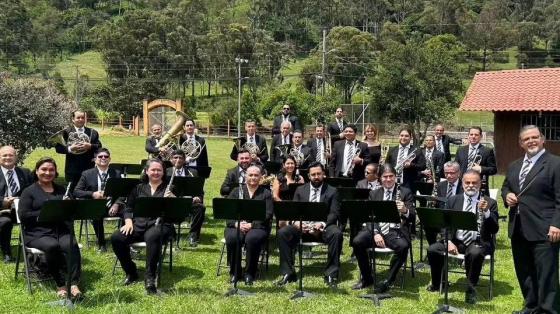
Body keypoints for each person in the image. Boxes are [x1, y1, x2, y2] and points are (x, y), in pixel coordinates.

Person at [502, 125, 560, 313]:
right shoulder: (514, 165)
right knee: (524, 271)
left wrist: (556, 225)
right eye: (526, 139)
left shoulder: (555, 164)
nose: (531, 141)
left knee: (546, 274)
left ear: (542, 139)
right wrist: (507, 196)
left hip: (545, 228)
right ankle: (531, 306)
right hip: (518, 227)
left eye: (535, 137)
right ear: (521, 143)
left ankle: (548, 309)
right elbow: (505, 187)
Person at [427, 170, 499, 305]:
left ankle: (471, 289)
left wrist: (487, 212)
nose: (471, 185)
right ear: (463, 183)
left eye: (474, 182)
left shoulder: (490, 202)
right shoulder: (453, 200)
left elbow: (494, 229)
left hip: (479, 242)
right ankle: (438, 283)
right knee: (433, 249)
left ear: (480, 184)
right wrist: (447, 241)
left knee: (475, 253)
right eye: (467, 182)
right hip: (456, 241)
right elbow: (444, 225)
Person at [19, 157, 83, 299]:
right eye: (44, 169)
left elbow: (72, 212)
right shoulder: (28, 191)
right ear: (36, 171)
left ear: (55, 172)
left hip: (60, 230)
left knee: (71, 244)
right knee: (52, 246)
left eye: (51, 170)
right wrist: (47, 211)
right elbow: (24, 216)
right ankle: (60, 283)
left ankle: (73, 283)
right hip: (37, 233)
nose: (47, 172)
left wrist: (69, 205)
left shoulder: (61, 190)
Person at [111, 159, 176, 294]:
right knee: (117, 237)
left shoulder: (170, 188)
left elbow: (178, 214)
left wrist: (173, 200)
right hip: (138, 225)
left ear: (163, 172)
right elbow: (128, 208)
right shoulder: (138, 188)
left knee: (153, 236)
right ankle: (131, 271)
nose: (156, 172)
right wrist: (128, 222)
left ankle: (150, 278)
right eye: (153, 170)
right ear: (147, 171)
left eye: (159, 170)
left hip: (161, 225)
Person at [275, 162, 343, 288]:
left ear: (324, 174)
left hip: (323, 229)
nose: (316, 176)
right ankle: (288, 273)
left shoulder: (333, 191)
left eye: (319, 174)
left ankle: (331, 274)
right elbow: (294, 212)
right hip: (303, 228)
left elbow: (334, 213)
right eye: (313, 174)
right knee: (282, 233)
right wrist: (297, 223)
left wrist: (321, 224)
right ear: (308, 176)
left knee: (337, 233)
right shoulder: (300, 190)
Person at [351, 164, 415, 293]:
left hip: (395, 230)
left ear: (395, 177)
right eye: (385, 177)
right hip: (376, 229)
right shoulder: (374, 193)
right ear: (380, 178)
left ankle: (388, 280)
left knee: (403, 247)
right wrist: (375, 232)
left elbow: (413, 216)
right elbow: (369, 217)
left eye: (391, 176)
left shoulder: (405, 192)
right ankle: (367, 278)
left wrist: (405, 210)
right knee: (357, 242)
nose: (388, 179)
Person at [224, 165, 273, 285]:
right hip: (236, 225)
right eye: (250, 175)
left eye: (256, 175)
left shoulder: (266, 193)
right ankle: (235, 272)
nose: (253, 177)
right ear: (245, 176)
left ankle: (250, 272)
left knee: (252, 239)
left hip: (258, 227)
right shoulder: (236, 191)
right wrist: (237, 224)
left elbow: (268, 214)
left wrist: (252, 225)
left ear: (261, 177)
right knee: (233, 238)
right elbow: (227, 212)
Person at [73, 148, 122, 252]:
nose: (103, 158)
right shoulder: (87, 174)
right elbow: (76, 191)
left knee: (129, 212)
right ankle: (102, 243)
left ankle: (123, 241)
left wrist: (117, 204)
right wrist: (92, 194)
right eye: (100, 156)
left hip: (113, 205)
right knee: (96, 214)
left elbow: (123, 191)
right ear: (95, 159)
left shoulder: (116, 173)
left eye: (106, 156)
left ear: (110, 159)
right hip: (95, 205)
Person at [0, 146, 34, 263]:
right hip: (2, 211)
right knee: (5, 222)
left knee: (36, 218)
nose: (8, 158)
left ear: (16, 157)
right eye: (4, 155)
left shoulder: (25, 172)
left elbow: (34, 191)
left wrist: (20, 199)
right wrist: (2, 201)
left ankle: (32, 250)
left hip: (22, 209)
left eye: (11, 155)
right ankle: (7, 253)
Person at [54, 110, 102, 191]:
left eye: (82, 118)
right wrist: (70, 148)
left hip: (88, 168)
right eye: (78, 118)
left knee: (88, 193)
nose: (80, 119)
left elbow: (99, 146)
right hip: (72, 169)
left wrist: (90, 146)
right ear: (73, 119)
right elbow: (58, 148)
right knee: (72, 194)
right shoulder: (66, 132)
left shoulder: (92, 132)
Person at [166, 150, 206, 247]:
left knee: (200, 208)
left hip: (188, 202)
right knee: (163, 209)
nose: (178, 160)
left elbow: (199, 190)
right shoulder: (166, 172)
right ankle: (171, 235)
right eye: (175, 157)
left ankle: (193, 235)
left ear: (184, 160)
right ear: (171, 160)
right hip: (171, 203)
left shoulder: (193, 172)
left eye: (180, 158)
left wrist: (198, 197)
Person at [454, 127, 497, 194]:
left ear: (481, 136)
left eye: (476, 135)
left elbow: (494, 170)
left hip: (479, 187)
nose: (473, 137)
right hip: (462, 187)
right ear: (468, 136)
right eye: (471, 134)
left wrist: (481, 169)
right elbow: (455, 167)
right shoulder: (460, 150)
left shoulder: (487, 151)